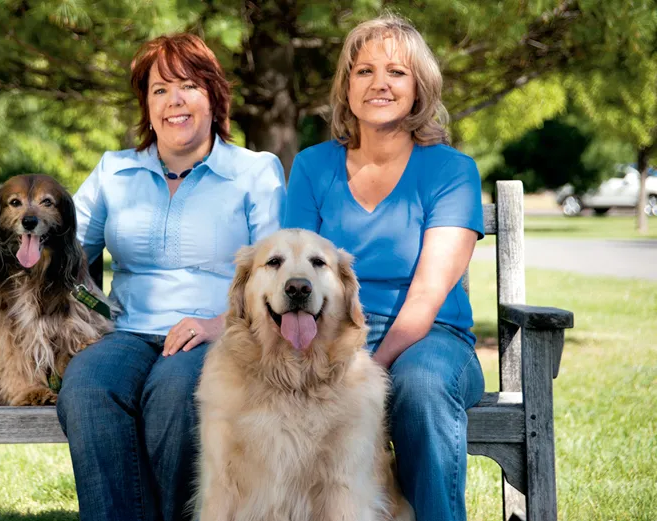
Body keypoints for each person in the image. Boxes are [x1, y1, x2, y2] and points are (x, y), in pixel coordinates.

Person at [57, 33, 286, 521]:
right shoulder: (114, 171)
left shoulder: (253, 172)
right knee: (87, 387)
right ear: (146, 104)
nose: (174, 101)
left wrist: (215, 325)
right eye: (160, 89)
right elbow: (61, 252)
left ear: (213, 96)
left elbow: (274, 275)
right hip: (125, 330)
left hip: (214, 332)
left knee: (175, 394)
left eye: (188, 86)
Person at [282, 15, 485, 521]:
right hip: (331, 335)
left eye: (396, 72)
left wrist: (368, 368)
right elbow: (295, 275)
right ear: (346, 85)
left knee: (419, 390)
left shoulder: (452, 171)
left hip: (428, 341)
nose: (379, 84)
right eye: (364, 71)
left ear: (419, 88)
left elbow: (427, 296)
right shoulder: (312, 166)